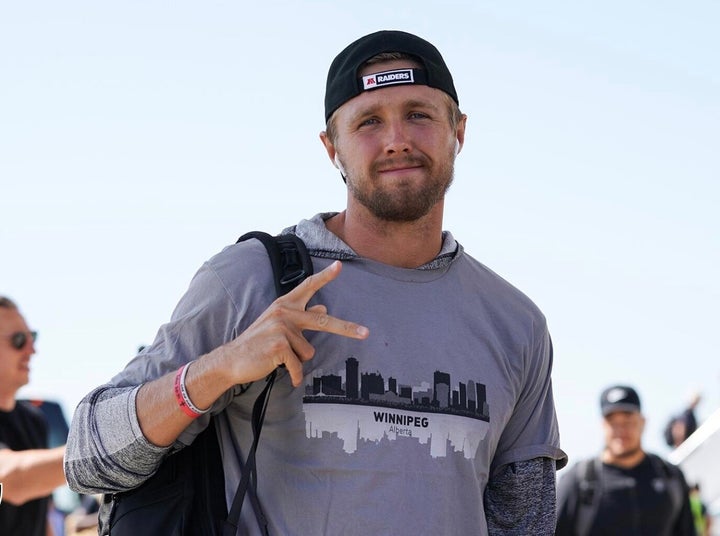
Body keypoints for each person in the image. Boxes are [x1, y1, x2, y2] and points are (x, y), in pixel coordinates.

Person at [65, 30, 567, 534]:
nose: (397, 139)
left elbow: (524, 521)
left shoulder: (514, 323)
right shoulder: (253, 279)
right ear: (332, 148)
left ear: (458, 131)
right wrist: (217, 370)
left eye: (419, 114)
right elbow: (88, 458)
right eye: (369, 122)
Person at [555, 385, 696, 536]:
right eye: (613, 422)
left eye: (628, 420)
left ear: (642, 422)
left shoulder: (670, 477)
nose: (621, 430)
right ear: (603, 425)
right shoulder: (579, 481)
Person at [0, 296, 67, 536]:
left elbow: (42, 509)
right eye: (19, 340)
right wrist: (99, 450)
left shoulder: (34, 419)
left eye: (32, 337)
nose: (32, 349)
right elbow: (11, 480)